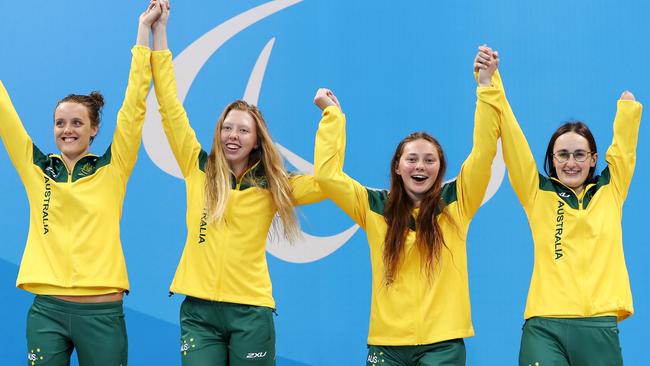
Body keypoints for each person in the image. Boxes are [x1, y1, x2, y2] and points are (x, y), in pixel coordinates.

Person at [148, 1, 324, 364]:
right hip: (199, 313)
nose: (232, 135)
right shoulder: (198, 167)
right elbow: (169, 105)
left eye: (243, 130)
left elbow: (326, 182)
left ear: (257, 140)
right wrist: (159, 32)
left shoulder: (274, 185)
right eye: (227, 127)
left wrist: (331, 119)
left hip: (250, 312)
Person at [312, 46, 503, 365]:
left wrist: (485, 85)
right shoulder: (373, 206)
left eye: (430, 160)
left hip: (442, 345)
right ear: (397, 167)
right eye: (411, 159)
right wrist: (332, 117)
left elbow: (484, 152)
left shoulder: (457, 200)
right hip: (387, 345)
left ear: (440, 168)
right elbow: (328, 177)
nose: (420, 167)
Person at [0, 2, 161, 365]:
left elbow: (135, 105)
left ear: (94, 129)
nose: (67, 130)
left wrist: (143, 30)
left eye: (76, 122)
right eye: (60, 123)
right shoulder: (37, 168)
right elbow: (4, 110)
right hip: (47, 313)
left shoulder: (113, 167)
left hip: (101, 314)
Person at [487, 46, 643, 365]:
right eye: (562, 155)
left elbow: (624, 151)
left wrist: (627, 115)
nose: (570, 162)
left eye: (579, 154)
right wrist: (491, 82)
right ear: (553, 160)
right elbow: (513, 137)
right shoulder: (537, 191)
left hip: (599, 325)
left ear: (593, 160)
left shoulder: (610, 188)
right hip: (545, 325)